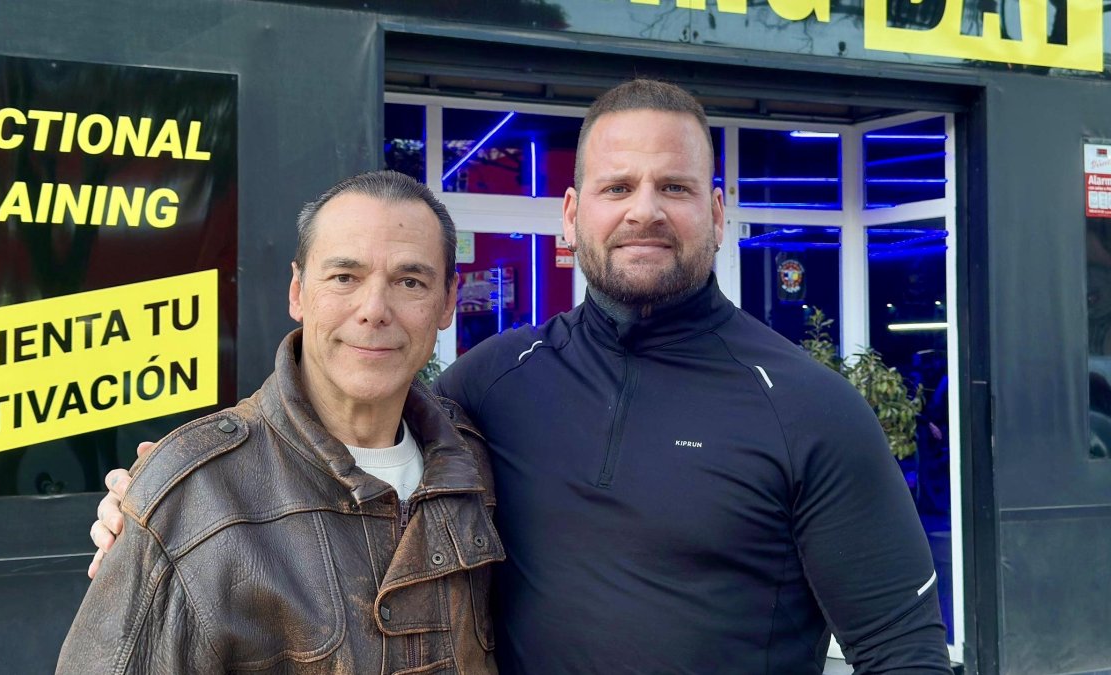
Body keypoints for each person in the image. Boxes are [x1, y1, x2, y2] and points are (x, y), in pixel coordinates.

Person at [91, 80, 951, 673]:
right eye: (616, 185)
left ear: (719, 212)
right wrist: (163, 503)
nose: (644, 208)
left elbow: (904, 654)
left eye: (676, 187)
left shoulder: (811, 408)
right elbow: (343, 452)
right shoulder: (490, 385)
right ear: (572, 216)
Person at [60, 171, 503, 674]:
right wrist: (155, 500)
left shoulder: (475, 461)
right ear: (298, 291)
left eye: (409, 281)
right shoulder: (191, 494)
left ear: (447, 302)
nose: (374, 310)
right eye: (344, 277)